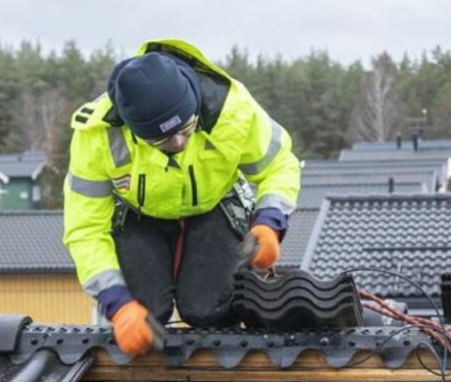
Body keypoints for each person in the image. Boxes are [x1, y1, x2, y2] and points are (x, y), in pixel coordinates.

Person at [63, 39, 301, 356]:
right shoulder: (96, 135)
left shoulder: (233, 110)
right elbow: (85, 229)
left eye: (186, 129)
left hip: (214, 206)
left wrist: (270, 223)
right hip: (139, 215)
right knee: (144, 313)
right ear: (135, 131)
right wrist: (117, 303)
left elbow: (280, 165)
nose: (178, 142)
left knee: (208, 309)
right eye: (162, 140)